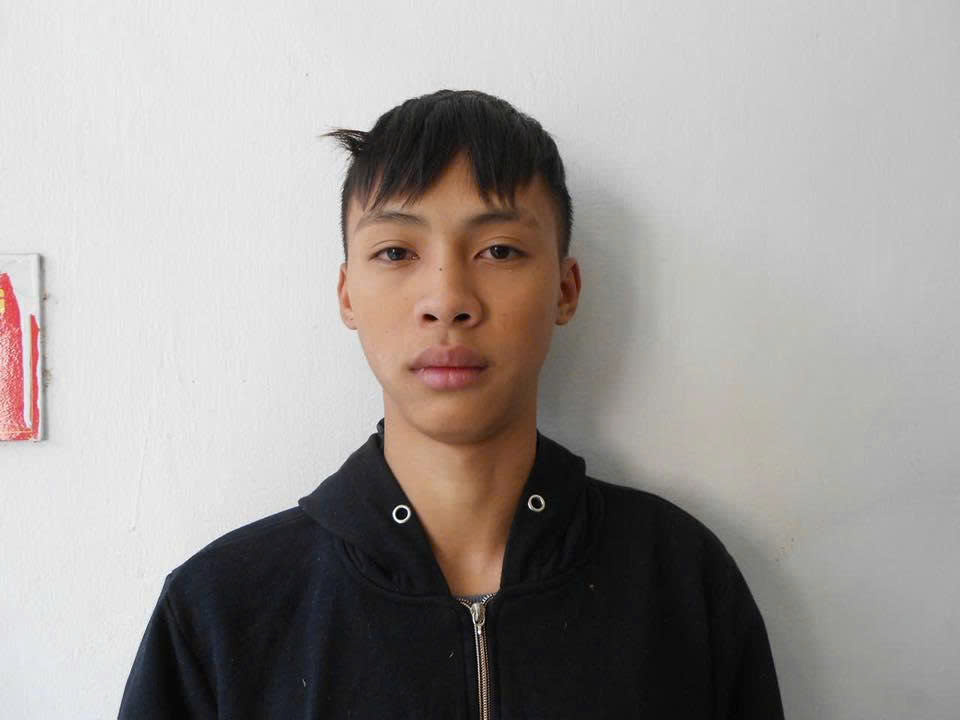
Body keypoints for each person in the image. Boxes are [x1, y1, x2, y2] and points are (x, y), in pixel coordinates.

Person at [118, 89, 784, 719]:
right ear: (347, 295)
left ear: (565, 289)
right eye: (395, 251)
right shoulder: (220, 612)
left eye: (499, 250)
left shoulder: (681, 584)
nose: (446, 299)